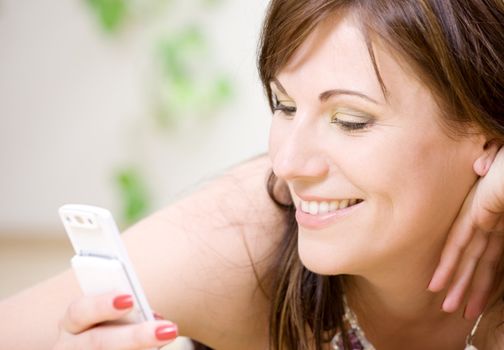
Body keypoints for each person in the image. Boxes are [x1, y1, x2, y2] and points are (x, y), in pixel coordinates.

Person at [1, 0, 503, 349]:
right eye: (284, 106)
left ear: (486, 136)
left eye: (351, 120)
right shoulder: (239, 242)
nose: (286, 164)